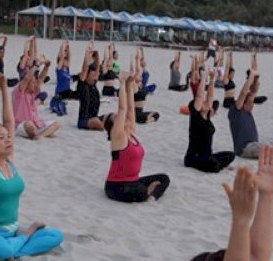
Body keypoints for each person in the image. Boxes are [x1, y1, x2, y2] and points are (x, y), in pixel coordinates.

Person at [0, 73, 63, 261]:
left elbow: (9, 122)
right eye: (1, 138)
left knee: (56, 236)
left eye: (8, 137)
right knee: (1, 249)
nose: (7, 140)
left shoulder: (10, 162)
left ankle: (17, 246)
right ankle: (22, 240)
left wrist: (5, 88)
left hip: (13, 231)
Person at [103, 63, 169, 202]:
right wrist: (121, 83)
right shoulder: (118, 136)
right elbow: (122, 108)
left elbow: (130, 109)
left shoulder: (131, 131)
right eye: (113, 116)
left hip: (133, 180)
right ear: (113, 125)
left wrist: (129, 83)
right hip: (116, 185)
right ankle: (146, 193)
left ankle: (150, 196)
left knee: (164, 178)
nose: (117, 115)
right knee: (138, 192)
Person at [185, 67, 235, 173]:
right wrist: (204, 76)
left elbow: (210, 95)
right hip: (193, 158)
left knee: (231, 155)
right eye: (203, 102)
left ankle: (216, 164)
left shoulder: (207, 117)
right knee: (214, 165)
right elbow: (199, 95)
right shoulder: (195, 117)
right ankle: (217, 165)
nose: (206, 102)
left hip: (207, 156)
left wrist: (212, 79)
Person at [12, 54, 59, 139]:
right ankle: (39, 133)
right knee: (29, 125)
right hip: (21, 125)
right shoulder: (19, 91)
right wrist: (37, 65)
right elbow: (26, 78)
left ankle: (41, 135)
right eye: (32, 82)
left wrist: (47, 66)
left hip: (36, 123)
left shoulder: (33, 92)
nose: (34, 84)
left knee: (56, 124)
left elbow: (40, 79)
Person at [77, 45, 106, 131]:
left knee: (113, 116)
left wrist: (96, 54)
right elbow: (85, 69)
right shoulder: (82, 85)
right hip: (84, 121)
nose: (95, 77)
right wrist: (87, 54)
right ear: (86, 76)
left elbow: (97, 67)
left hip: (95, 118)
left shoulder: (94, 84)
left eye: (95, 75)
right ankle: (106, 128)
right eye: (92, 75)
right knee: (96, 121)